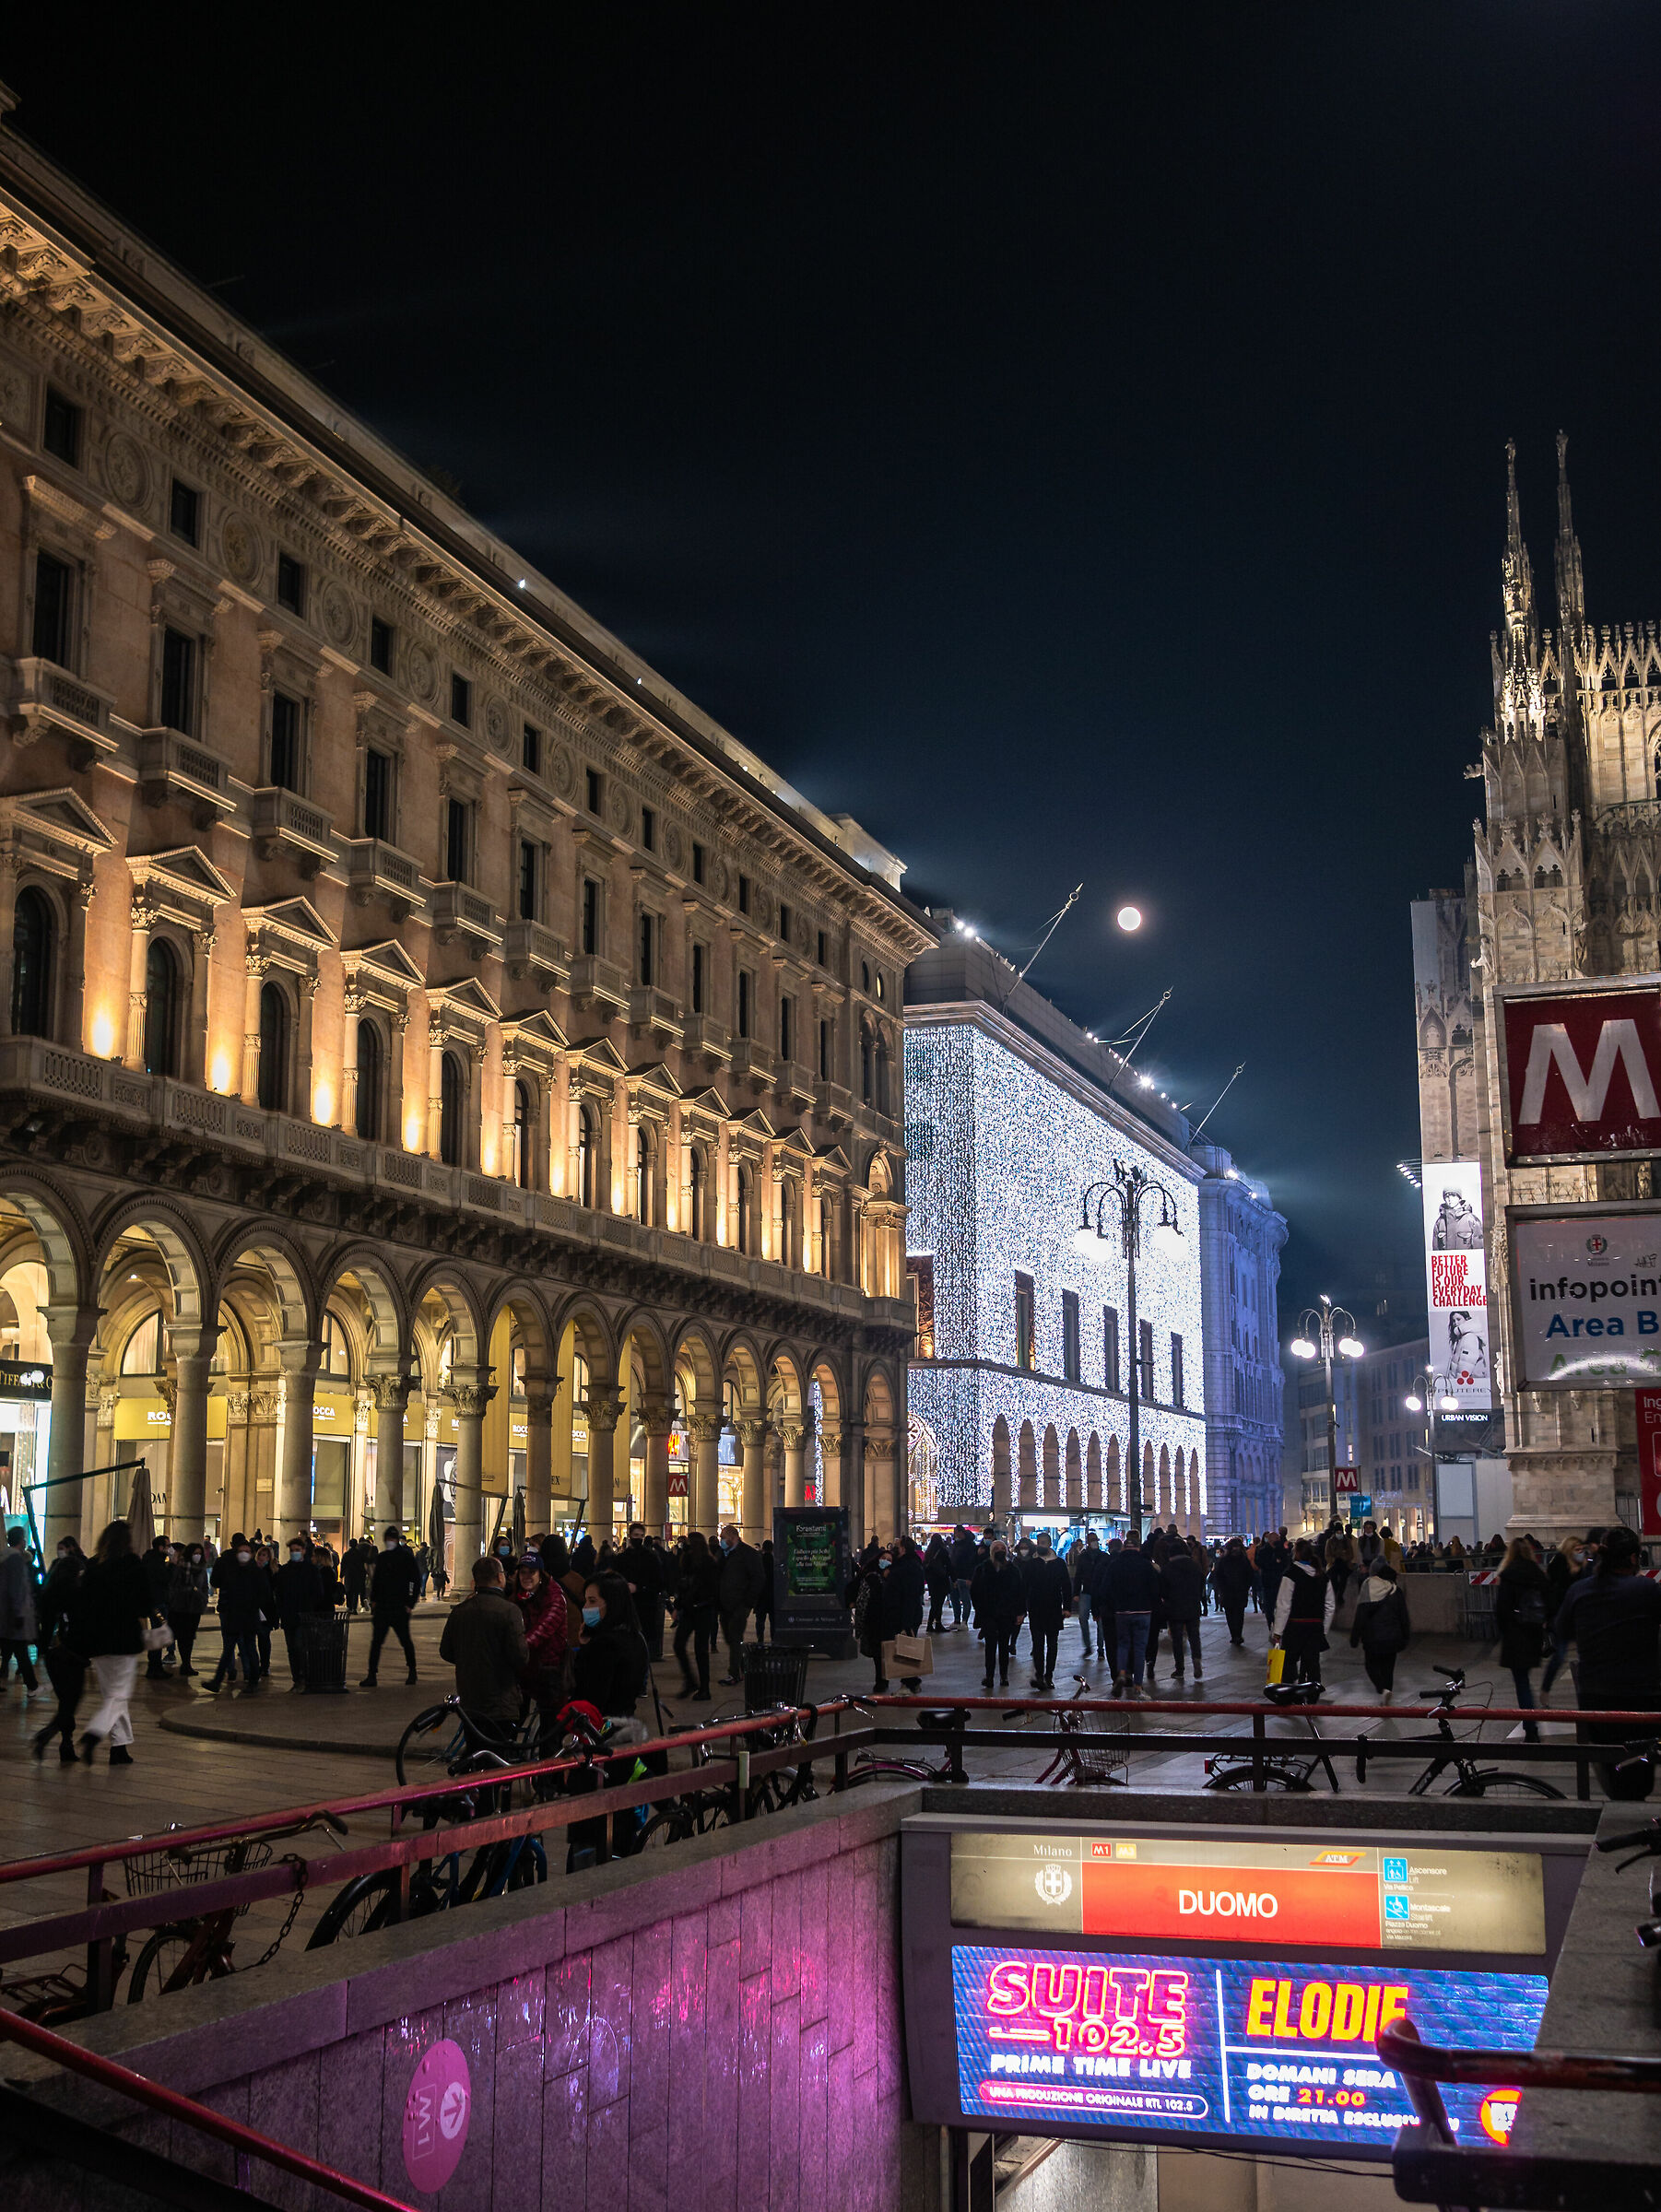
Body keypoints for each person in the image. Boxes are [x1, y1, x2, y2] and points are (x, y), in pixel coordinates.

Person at [1553, 1527, 1661, 1797]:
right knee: (1641, 1764)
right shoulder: (1647, 1589)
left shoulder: (1580, 1590)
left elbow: (1562, 1631)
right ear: (1634, 1559)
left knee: (1613, 1767)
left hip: (1596, 1698)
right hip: (1642, 1697)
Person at [73, 1521, 157, 1765]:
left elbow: (83, 1607)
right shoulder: (132, 1566)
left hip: (98, 1643)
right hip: (124, 1641)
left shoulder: (94, 1568)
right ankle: (93, 1734)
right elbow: (144, 1604)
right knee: (118, 1696)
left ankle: (120, 1747)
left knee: (112, 1695)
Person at [438, 1554, 529, 1746]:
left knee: (474, 1749)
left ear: (474, 1581)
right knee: (499, 1756)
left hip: (470, 1697)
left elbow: (446, 1651)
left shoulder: (460, 1611)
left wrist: (468, 1658)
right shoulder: (509, 1611)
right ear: (499, 1577)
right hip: (501, 1700)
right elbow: (520, 1656)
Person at [32, 1535, 87, 1761]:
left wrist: (43, 1649)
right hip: (73, 1655)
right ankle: (55, 1737)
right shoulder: (78, 1596)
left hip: (54, 1656)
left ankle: (65, 1743)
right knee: (70, 1702)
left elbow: (44, 1629)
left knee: (65, 1701)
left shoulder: (51, 1595)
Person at [1494, 1535, 1551, 1739]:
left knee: (1521, 1682)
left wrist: (1505, 1632)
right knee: (1525, 1679)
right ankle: (1531, 1722)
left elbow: (1501, 1609)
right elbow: (1549, 1602)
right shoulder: (1538, 1574)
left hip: (1515, 1634)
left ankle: (1531, 1727)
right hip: (1533, 1633)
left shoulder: (1509, 1575)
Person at [512, 1551, 572, 1736]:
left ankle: (549, 1762)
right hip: (526, 1666)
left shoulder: (554, 1597)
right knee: (514, 1716)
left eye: (532, 1572)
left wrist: (514, 1648)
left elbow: (542, 1630)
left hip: (549, 1668)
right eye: (523, 1572)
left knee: (550, 1728)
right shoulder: (518, 1597)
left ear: (541, 1575)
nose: (527, 1576)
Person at [209, 1535, 271, 1694]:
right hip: (234, 1615)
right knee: (229, 1648)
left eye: (247, 1551)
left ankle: (253, 1679)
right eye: (241, 1551)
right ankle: (217, 1681)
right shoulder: (233, 1571)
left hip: (249, 1615)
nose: (244, 1554)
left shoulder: (256, 1572)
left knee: (249, 1648)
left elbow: (263, 1593)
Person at [1272, 1538, 1336, 1688]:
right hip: (1315, 1626)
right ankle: (1312, 1695)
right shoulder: (1322, 1576)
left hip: (1295, 1626)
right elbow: (1330, 1605)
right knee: (1313, 1663)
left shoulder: (1291, 1574)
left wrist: (1277, 1632)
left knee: (1289, 1662)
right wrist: (1324, 1629)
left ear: (1296, 1554)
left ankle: (1288, 1695)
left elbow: (1284, 1605)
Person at [361, 1524, 420, 1687]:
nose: (390, 1542)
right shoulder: (383, 1557)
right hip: (383, 1606)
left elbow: (414, 1580)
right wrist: (374, 1600)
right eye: (388, 1539)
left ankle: (412, 1671)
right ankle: (372, 1674)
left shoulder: (406, 1557)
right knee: (376, 1642)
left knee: (405, 1640)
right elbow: (377, 1581)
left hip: (400, 1606)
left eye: (392, 1539)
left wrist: (410, 1603)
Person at [1106, 1530, 1159, 1696]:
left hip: (1122, 1612)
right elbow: (1155, 1589)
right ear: (1138, 1548)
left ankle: (1121, 1673)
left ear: (1123, 1548)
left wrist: (1114, 1605)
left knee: (1122, 1644)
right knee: (1139, 1648)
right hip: (1143, 1611)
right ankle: (1137, 1685)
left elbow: (1106, 1588)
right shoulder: (1146, 1565)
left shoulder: (1114, 1565)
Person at [1349, 1558, 1410, 1700]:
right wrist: (1405, 1637)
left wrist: (1355, 1637)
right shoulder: (1396, 1590)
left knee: (1371, 1666)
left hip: (1372, 1637)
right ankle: (1387, 1693)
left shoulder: (1368, 1586)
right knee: (1388, 1669)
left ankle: (1381, 1689)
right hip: (1393, 1637)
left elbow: (1361, 1614)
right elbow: (1404, 1617)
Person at [274, 1536, 331, 1688]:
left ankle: (304, 1677)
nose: (294, 1553)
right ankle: (297, 1678)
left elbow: (318, 1593)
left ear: (304, 1551)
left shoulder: (311, 1570)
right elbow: (279, 1593)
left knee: (300, 1647)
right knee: (291, 1648)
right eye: (292, 1551)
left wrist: (309, 1606)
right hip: (289, 1615)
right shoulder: (285, 1570)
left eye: (297, 1550)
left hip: (304, 1616)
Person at [672, 1529, 722, 1700]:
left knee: (700, 1650)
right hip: (690, 1609)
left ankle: (704, 1688)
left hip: (703, 1609)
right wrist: (678, 1606)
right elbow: (682, 1584)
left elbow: (711, 1588)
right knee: (679, 1645)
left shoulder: (708, 1563)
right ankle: (691, 1681)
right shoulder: (687, 1560)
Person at [970, 1539, 1024, 1688]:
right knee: (990, 1646)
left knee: (1004, 1646)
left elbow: (1019, 1592)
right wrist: (980, 1609)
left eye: (1002, 1548)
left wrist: (1020, 1612)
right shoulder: (983, 1569)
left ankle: (1004, 1676)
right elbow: (975, 1591)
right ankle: (989, 1676)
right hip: (989, 1613)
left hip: (1007, 1613)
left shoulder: (1013, 1570)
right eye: (997, 1548)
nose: (1000, 1550)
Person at [715, 1523, 766, 1683]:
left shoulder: (748, 1554)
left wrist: (748, 1601)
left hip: (740, 1603)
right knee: (730, 1637)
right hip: (724, 1604)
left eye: (723, 1538)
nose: (721, 1540)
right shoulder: (722, 1554)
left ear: (733, 1538)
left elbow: (758, 1578)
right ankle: (744, 1666)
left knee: (735, 1636)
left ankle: (734, 1673)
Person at [1023, 1533, 1072, 1690]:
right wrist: (1023, 1608)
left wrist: (1067, 1607)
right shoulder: (1032, 1564)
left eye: (1044, 1542)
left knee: (1052, 1644)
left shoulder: (1059, 1564)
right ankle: (1039, 1674)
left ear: (1050, 1544)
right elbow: (1024, 1586)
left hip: (1053, 1608)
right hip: (1036, 1608)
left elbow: (1066, 1586)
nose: (1041, 1545)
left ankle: (1048, 1675)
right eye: (1039, 1542)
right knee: (1037, 1644)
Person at [1157, 1537, 1205, 1681]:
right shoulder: (1195, 1566)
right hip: (1193, 1606)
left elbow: (1162, 1590)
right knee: (1194, 1636)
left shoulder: (1167, 1568)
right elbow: (1201, 1583)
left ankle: (1180, 1669)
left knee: (1177, 1639)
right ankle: (1197, 1660)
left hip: (1174, 1608)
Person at [1, 1524, 40, 1693]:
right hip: (13, 1615)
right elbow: (16, 1588)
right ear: (21, 1540)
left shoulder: (4, 1558)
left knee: (17, 1649)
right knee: (20, 1650)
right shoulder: (16, 1559)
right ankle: (32, 1686)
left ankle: (32, 1686)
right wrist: (19, 1613)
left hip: (6, 1614)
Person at [619, 1523, 666, 1659]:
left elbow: (658, 1582)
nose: (638, 1538)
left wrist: (639, 1587)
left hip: (646, 1606)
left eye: (641, 1536)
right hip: (628, 1606)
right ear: (630, 1536)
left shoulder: (651, 1558)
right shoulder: (622, 1558)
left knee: (643, 1643)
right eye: (635, 1535)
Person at [167, 1541, 210, 1677]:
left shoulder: (202, 1569)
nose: (197, 1556)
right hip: (180, 1607)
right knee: (181, 1636)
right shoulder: (180, 1568)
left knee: (189, 1637)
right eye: (195, 1553)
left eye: (199, 1553)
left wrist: (203, 1599)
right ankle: (184, 1663)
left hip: (195, 1607)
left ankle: (187, 1664)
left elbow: (204, 1586)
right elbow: (172, 1586)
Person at [1072, 1530, 1112, 1661]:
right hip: (1087, 1591)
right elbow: (1078, 1575)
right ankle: (1088, 1646)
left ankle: (1101, 1649)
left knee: (1100, 1621)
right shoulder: (1084, 1557)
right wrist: (1076, 1592)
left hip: (1100, 1592)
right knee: (1083, 1618)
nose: (1094, 1542)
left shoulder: (1103, 1556)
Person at [1215, 1536, 1255, 1647]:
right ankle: (1237, 1634)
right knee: (1239, 1614)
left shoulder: (1223, 1560)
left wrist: (1222, 1588)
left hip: (1228, 1592)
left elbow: (1218, 1576)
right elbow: (1249, 1575)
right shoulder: (1243, 1560)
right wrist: (1246, 1587)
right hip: (1239, 1591)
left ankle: (1234, 1635)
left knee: (1230, 1614)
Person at [948, 1524, 978, 1629]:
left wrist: (970, 1578)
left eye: (956, 1532)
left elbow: (972, 1563)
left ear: (961, 1532)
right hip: (954, 1577)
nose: (955, 1535)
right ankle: (957, 1620)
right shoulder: (956, 1544)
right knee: (954, 1598)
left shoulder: (970, 1545)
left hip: (965, 1577)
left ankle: (964, 1621)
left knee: (965, 1599)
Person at [924, 1534, 953, 1634]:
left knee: (934, 1603)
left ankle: (930, 1623)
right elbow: (949, 1565)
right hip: (941, 1580)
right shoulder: (943, 1551)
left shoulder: (928, 1552)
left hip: (932, 1581)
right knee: (939, 1603)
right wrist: (952, 1577)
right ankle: (938, 1623)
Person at [753, 1539, 776, 1646]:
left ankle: (760, 1638)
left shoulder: (759, 1560)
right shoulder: (775, 1561)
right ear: (772, 1548)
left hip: (761, 1595)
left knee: (760, 1620)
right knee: (773, 1620)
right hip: (772, 1595)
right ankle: (774, 1638)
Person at [342, 1539, 368, 1616]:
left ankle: (349, 1607)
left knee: (348, 1591)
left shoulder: (346, 1554)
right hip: (357, 1575)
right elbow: (363, 1565)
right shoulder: (360, 1554)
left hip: (349, 1575)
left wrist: (341, 1574)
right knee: (355, 1592)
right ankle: (354, 1608)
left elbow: (343, 1564)